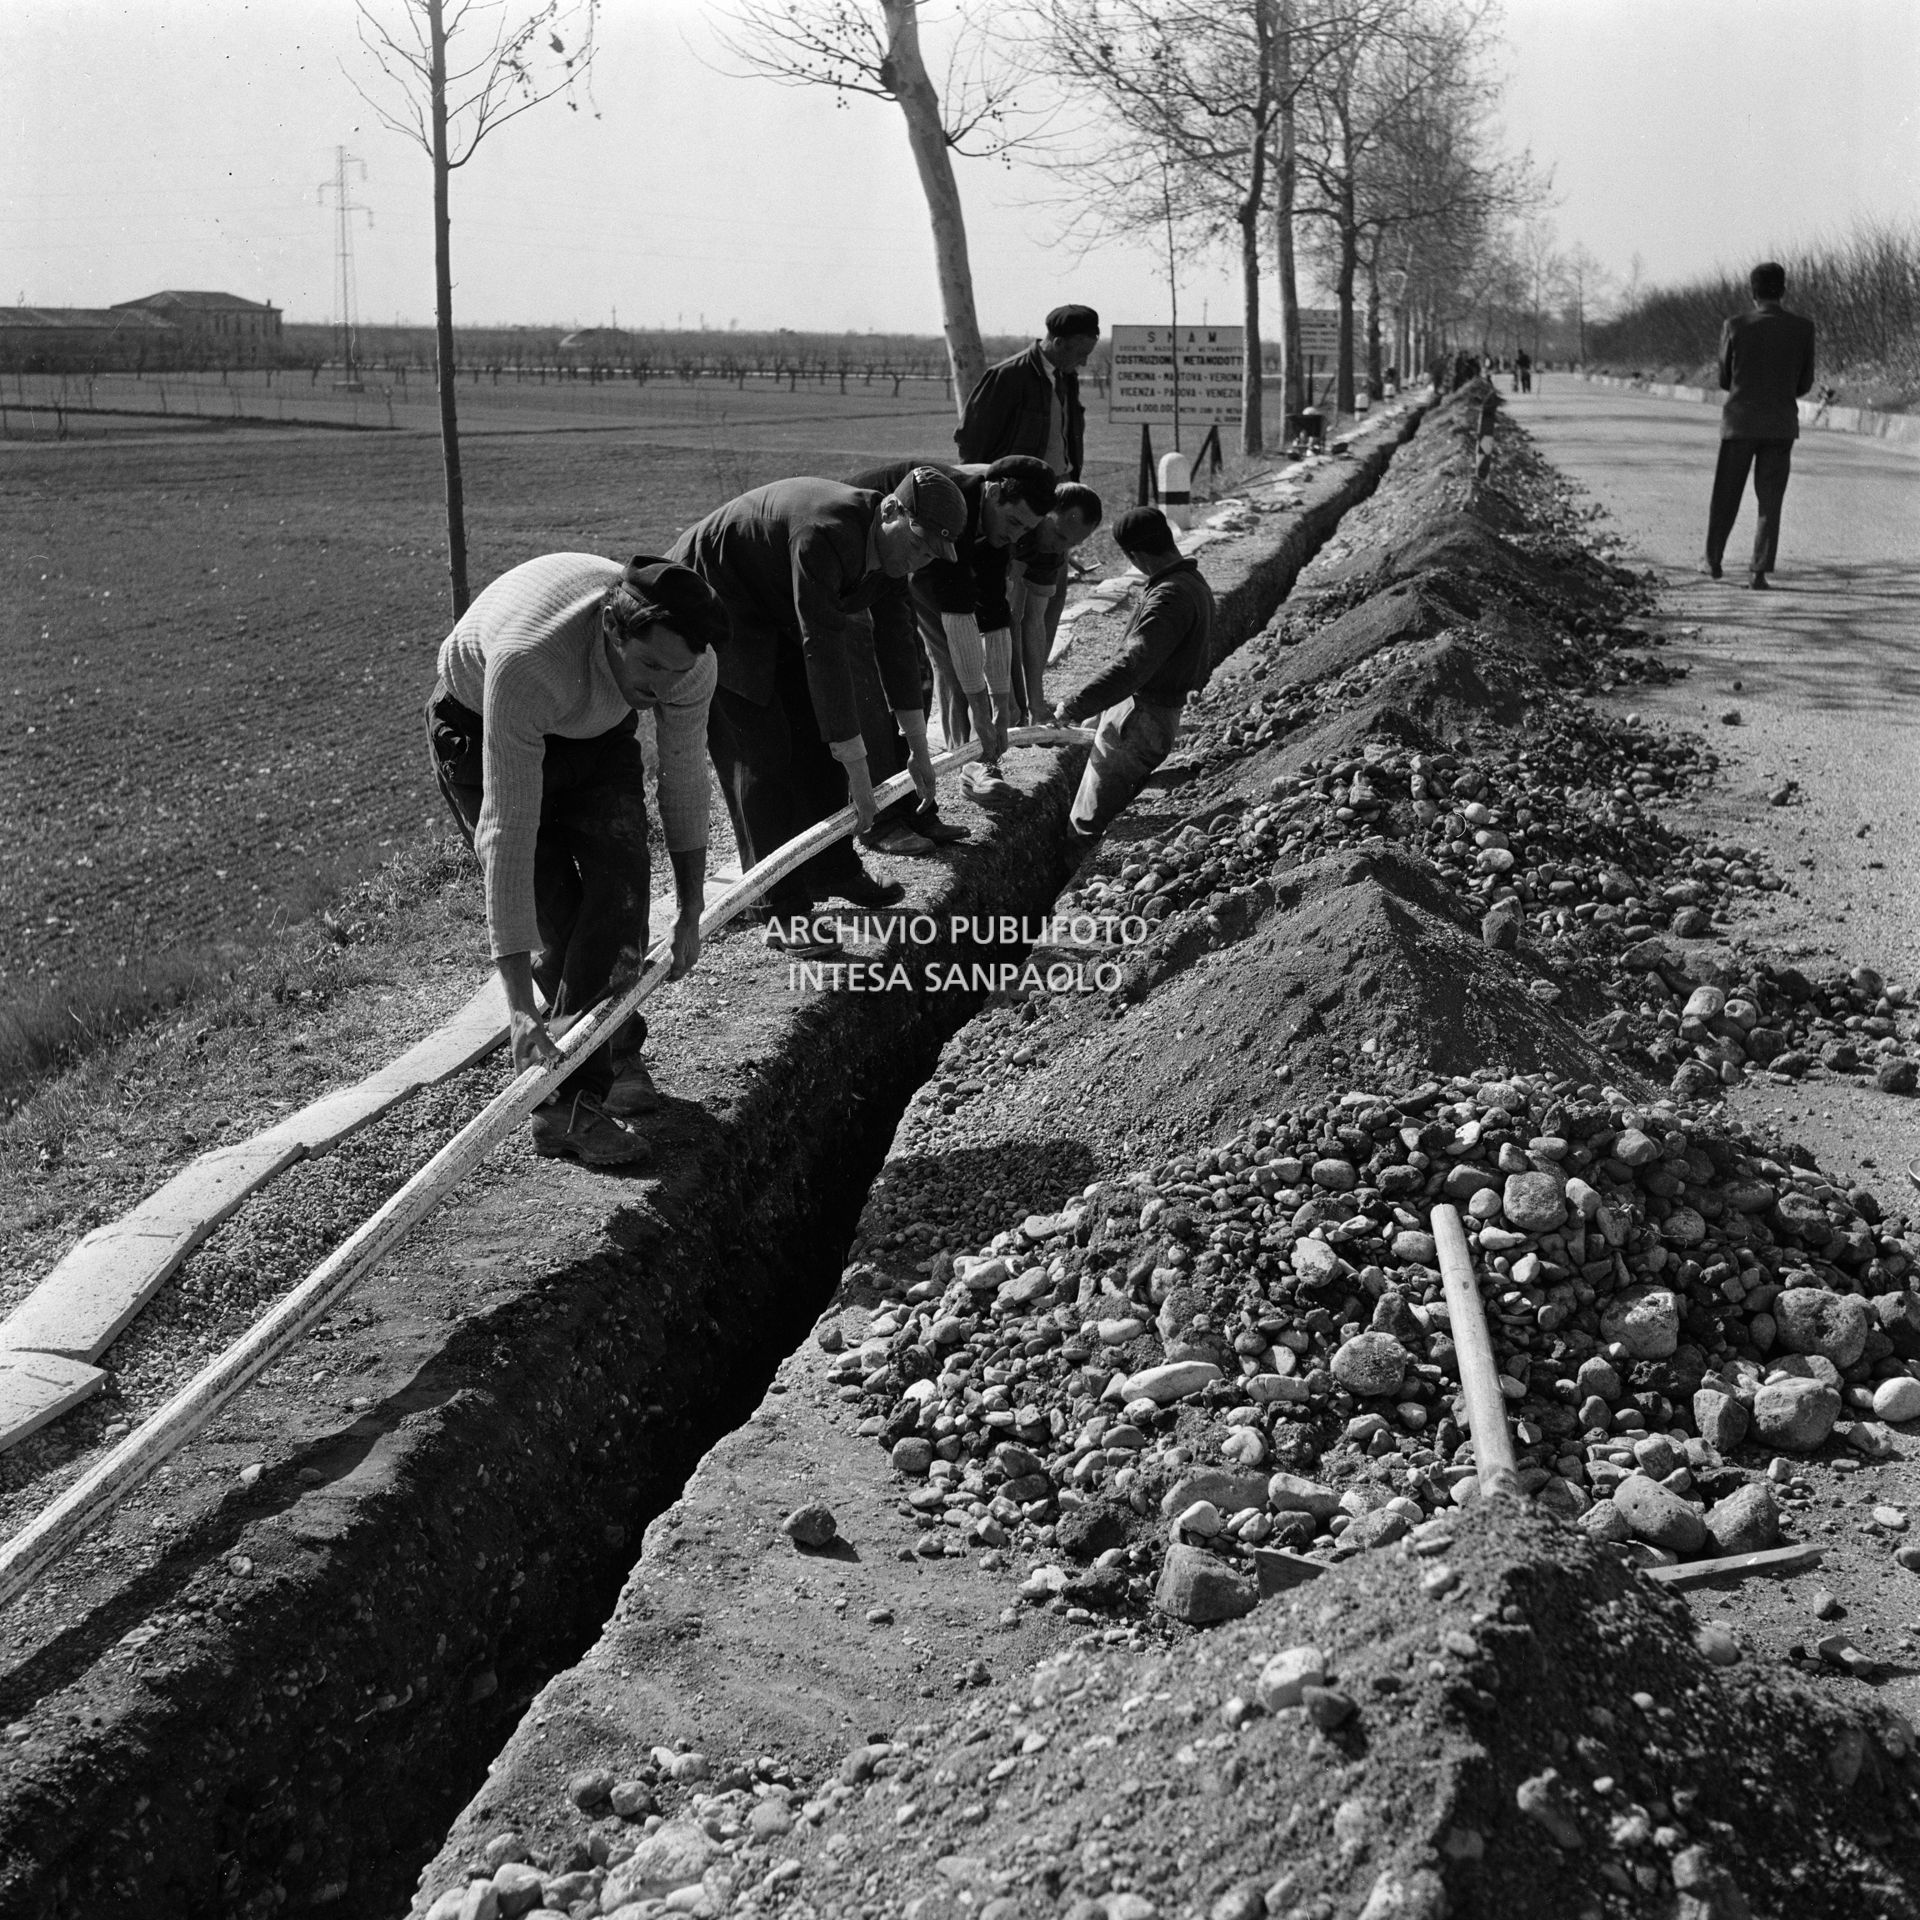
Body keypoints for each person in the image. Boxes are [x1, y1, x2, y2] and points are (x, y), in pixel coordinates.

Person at [428, 552, 727, 1167]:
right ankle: (565, 1106)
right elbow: (505, 833)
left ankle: (607, 1062)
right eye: (650, 667)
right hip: (484, 721)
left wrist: (692, 909)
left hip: (595, 727)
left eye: (678, 671)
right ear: (612, 631)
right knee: (558, 918)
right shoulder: (530, 662)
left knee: (621, 890)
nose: (665, 686)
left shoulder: (687, 664)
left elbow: (685, 781)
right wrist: (517, 1009)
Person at [671, 469, 963, 937]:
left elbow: (896, 644)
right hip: (714, 595)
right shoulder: (825, 534)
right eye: (917, 545)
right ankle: (775, 905)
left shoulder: (894, 554)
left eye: (929, 554)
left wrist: (918, 748)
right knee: (760, 753)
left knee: (816, 735)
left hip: (772, 600)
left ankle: (833, 869)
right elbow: (822, 647)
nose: (918, 561)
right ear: (890, 511)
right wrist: (861, 774)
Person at [1055, 506, 1215, 839]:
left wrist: (1073, 705)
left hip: (1139, 722)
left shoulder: (1168, 596)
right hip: (1152, 716)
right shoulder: (1191, 583)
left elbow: (1132, 666)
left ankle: (1084, 881)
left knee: (1087, 826)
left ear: (1136, 555)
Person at [957, 304, 1101, 671]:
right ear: (1057, 341)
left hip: (1058, 501)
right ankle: (1011, 692)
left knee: (1050, 596)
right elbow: (973, 445)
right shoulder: (1008, 377)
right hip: (1020, 506)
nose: (1083, 363)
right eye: (1079, 353)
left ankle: (1034, 682)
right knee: (1014, 601)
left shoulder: (1065, 377)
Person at [1704, 262, 1817, 589]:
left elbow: (1725, 378)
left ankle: (1713, 561)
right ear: (1783, 290)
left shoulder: (1735, 325)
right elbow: (1805, 382)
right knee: (1770, 500)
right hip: (1780, 424)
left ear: (1752, 292)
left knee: (1726, 495)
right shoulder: (1803, 328)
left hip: (1740, 422)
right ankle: (1758, 570)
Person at [1008, 481, 1104, 725]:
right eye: (1060, 535)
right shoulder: (1013, 524)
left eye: (1071, 544)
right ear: (1045, 512)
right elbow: (1003, 616)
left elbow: (1034, 622)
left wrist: (1036, 705)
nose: (1060, 547)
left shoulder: (1053, 550)